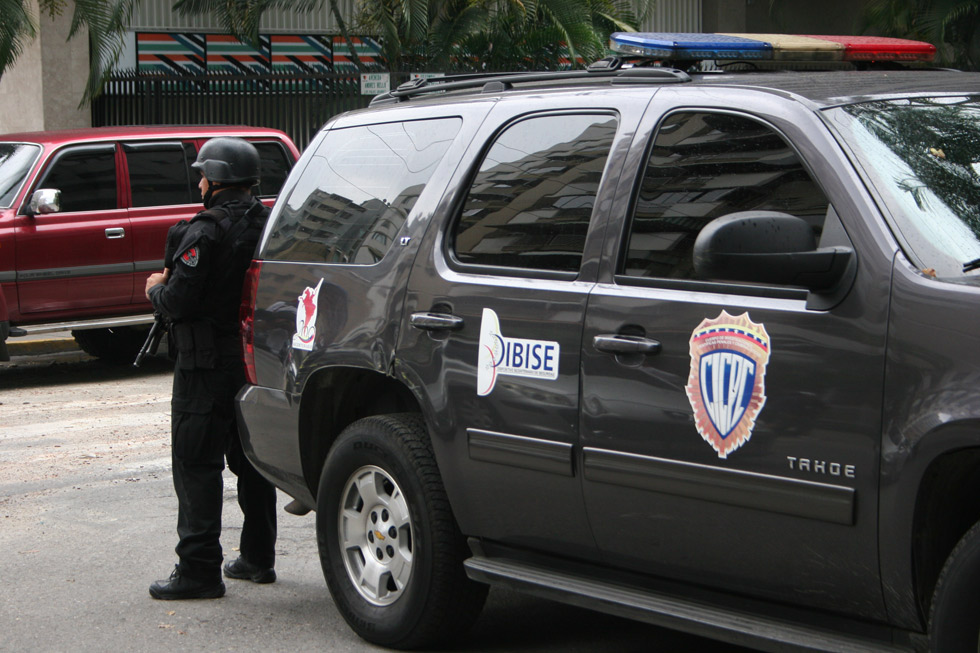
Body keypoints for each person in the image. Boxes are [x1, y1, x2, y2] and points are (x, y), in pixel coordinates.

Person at [146, 137, 277, 600]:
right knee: (251, 461)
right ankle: (259, 558)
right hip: (252, 360)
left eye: (203, 174)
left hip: (204, 364)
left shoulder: (204, 230)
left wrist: (154, 289)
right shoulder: (269, 223)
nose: (199, 182)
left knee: (196, 462)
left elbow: (180, 300)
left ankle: (199, 570)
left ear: (217, 179)